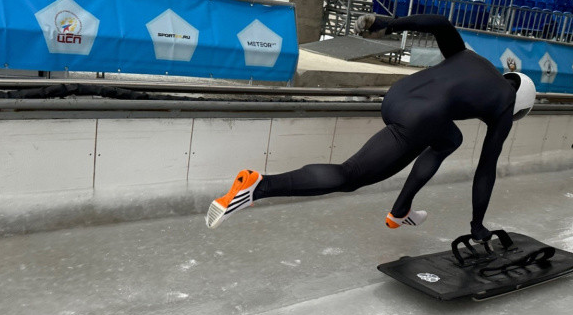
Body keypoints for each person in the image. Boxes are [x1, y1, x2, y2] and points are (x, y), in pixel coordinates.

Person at [206, 13, 537, 241]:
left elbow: (439, 24)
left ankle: (400, 211)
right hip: (417, 119)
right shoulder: (505, 107)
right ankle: (259, 185)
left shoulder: (471, 58)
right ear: (520, 102)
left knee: (449, 138)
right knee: (350, 176)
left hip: (397, 96)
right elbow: (486, 171)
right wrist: (478, 224)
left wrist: (386, 24)